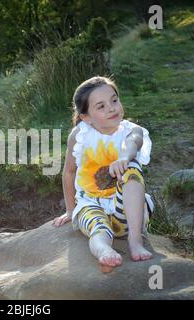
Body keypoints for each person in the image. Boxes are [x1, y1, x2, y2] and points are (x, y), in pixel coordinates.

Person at [53, 76, 155, 273]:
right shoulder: (79, 135)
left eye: (114, 100)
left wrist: (124, 157)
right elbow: (69, 172)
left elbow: (133, 143)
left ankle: (135, 240)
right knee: (99, 230)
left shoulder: (131, 130)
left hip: (125, 212)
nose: (111, 108)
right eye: (101, 106)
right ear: (86, 117)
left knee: (132, 168)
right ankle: (104, 251)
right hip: (90, 205)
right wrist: (70, 210)